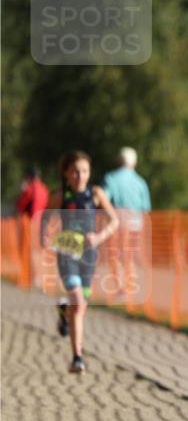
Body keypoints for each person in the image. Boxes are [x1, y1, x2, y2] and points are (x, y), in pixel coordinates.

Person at [44, 151, 119, 373]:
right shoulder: (60, 196)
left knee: (80, 306)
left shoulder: (95, 194)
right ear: (66, 173)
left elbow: (114, 221)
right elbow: (45, 221)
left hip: (89, 256)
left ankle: (64, 313)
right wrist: (48, 239)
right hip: (67, 253)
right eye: (75, 171)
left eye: (84, 171)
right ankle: (77, 358)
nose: (80, 176)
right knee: (77, 301)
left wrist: (99, 237)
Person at [103, 147, 151, 298]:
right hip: (136, 222)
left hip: (117, 221)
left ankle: (121, 287)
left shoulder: (111, 178)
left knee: (115, 254)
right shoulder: (141, 182)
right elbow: (146, 207)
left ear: (119, 160)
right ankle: (130, 286)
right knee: (129, 254)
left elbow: (104, 199)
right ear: (134, 162)